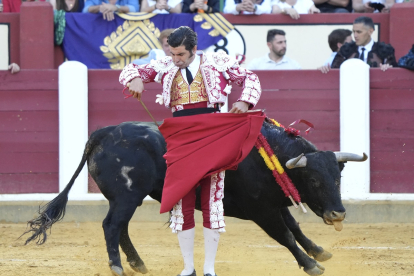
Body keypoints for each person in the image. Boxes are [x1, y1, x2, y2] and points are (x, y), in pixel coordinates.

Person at [119, 26, 263, 276]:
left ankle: (209, 268)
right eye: (173, 54)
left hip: (213, 136)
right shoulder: (164, 65)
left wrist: (244, 101)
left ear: (194, 50)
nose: (175, 59)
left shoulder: (218, 62)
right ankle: (188, 268)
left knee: (212, 201)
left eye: (181, 55)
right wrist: (135, 79)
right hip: (182, 139)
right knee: (181, 201)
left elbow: (250, 77)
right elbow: (130, 69)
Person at [331, 16, 397, 71]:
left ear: (370, 31)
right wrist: (325, 69)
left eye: (359, 32)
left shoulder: (385, 50)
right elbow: (334, 72)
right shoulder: (346, 49)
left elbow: (394, 74)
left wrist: (387, 68)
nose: (355, 35)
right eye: (354, 32)